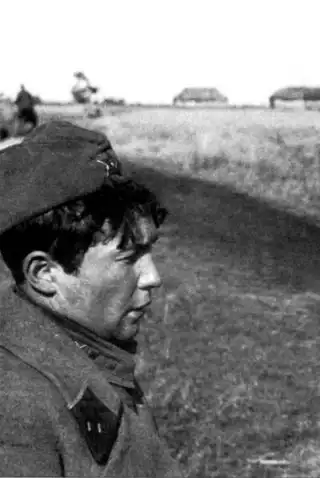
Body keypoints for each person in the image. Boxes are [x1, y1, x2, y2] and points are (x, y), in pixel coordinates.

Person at [0, 121, 184, 477]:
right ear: (45, 273)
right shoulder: (15, 410)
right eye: (129, 257)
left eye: (148, 251)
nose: (153, 277)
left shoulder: (88, 348)